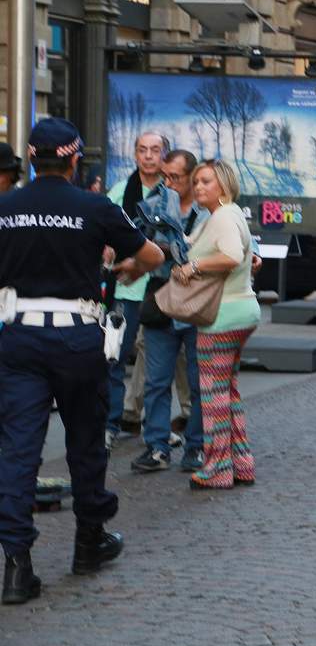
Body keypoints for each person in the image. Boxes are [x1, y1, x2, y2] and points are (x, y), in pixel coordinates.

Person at [0, 117, 164, 605]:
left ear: (31, 159)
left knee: (17, 449)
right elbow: (152, 255)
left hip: (18, 335)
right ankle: (89, 541)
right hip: (77, 337)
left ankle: (15, 566)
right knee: (86, 442)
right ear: (73, 162)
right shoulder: (94, 207)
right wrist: (122, 263)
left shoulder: (5, 207)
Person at [172, 160, 260, 489]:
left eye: (206, 181)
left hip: (223, 314)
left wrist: (194, 266)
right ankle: (241, 463)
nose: (198, 187)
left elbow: (233, 255)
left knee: (212, 394)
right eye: (196, 181)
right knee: (228, 390)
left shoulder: (222, 216)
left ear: (223, 185)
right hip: (241, 311)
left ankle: (218, 468)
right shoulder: (226, 214)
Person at [131, 150, 206, 474]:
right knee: (156, 381)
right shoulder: (154, 204)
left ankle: (196, 447)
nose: (169, 183)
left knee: (198, 381)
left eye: (175, 177)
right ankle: (157, 447)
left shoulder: (208, 210)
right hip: (161, 300)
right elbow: (138, 241)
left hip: (197, 303)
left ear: (191, 177)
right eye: (166, 176)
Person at [105, 131, 168, 449]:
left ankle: (160, 427)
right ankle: (111, 423)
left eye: (155, 150)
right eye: (142, 150)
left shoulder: (170, 193)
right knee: (114, 356)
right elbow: (101, 229)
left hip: (162, 288)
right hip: (126, 290)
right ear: (134, 155)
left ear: (163, 155)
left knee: (163, 365)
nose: (148, 156)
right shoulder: (120, 190)